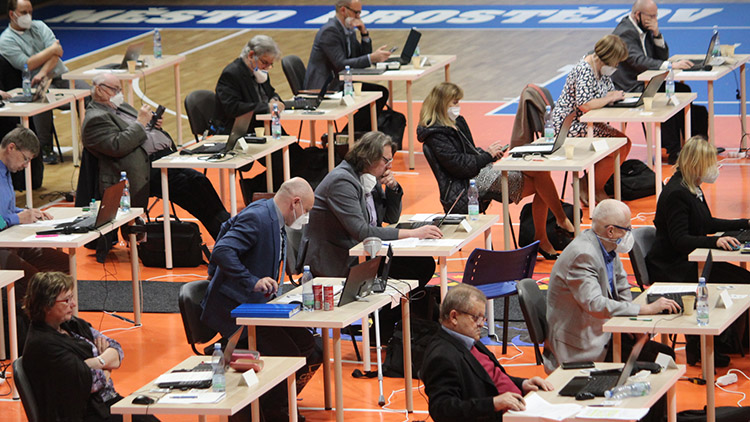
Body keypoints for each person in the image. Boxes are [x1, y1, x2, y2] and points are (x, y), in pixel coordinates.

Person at [201, 177, 321, 422]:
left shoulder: (272, 217)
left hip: (260, 307)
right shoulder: (258, 217)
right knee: (287, 352)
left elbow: (226, 229)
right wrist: (251, 280)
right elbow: (222, 250)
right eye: (306, 210)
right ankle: (274, 410)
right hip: (238, 309)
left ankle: (277, 404)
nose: (305, 216)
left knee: (310, 346)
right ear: (295, 202)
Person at [301, 131, 440, 338]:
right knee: (416, 268)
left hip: (363, 250)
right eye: (386, 160)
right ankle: (384, 326)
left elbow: (391, 216)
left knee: (422, 264)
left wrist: (393, 188)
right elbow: (363, 231)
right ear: (368, 158)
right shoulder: (342, 182)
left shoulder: (368, 178)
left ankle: (386, 325)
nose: (390, 165)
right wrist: (413, 233)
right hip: (336, 257)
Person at [418, 82, 575, 259]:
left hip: (479, 169)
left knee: (540, 172)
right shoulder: (436, 135)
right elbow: (460, 166)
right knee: (541, 182)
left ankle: (546, 234)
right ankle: (559, 222)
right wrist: (487, 156)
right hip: (467, 182)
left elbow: (469, 152)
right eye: (454, 103)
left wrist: (487, 153)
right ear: (441, 104)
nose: (458, 107)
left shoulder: (457, 122)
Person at [81, 73, 229, 239]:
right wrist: (141, 123)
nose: (119, 93)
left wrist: (152, 124)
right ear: (100, 90)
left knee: (200, 181)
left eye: (120, 89)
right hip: (140, 172)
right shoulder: (94, 119)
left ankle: (228, 226)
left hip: (160, 161)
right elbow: (118, 145)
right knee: (191, 190)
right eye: (115, 89)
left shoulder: (119, 106)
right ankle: (226, 236)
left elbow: (140, 130)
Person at [545, 199, 678, 373]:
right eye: (627, 229)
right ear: (611, 231)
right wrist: (644, 309)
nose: (629, 233)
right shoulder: (583, 255)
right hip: (583, 344)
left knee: (664, 355)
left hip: (604, 330)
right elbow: (595, 304)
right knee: (658, 364)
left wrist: (630, 324)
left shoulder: (607, 246)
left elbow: (622, 285)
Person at [22, 272, 158, 422]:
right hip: (85, 414)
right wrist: (106, 365)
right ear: (47, 305)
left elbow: (116, 349)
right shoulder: (43, 345)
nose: (73, 304)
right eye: (66, 300)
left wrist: (96, 363)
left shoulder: (71, 324)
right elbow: (92, 382)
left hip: (104, 403)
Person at [422, 284, 553, 422]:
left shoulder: (469, 339)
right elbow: (442, 410)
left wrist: (523, 384)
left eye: (483, 318)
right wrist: (493, 404)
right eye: (475, 318)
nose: (481, 324)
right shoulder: (441, 356)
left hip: (520, 409)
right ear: (454, 317)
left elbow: (491, 379)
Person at [611, 0, 709, 164]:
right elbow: (637, 60)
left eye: (656, 16)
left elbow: (660, 57)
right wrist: (671, 65)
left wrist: (657, 34)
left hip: (648, 81)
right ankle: (674, 151)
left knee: (683, 90)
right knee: (665, 98)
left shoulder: (645, 27)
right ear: (638, 15)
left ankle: (694, 146)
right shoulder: (625, 32)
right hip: (632, 85)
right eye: (651, 16)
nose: (655, 20)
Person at [0, 0, 89, 164]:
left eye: (30, 11)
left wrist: (42, 71)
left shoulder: (39, 26)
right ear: (12, 14)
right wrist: (51, 50)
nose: (28, 16)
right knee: (41, 102)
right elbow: (27, 64)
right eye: (24, 12)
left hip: (59, 76)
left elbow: (58, 53)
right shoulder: (5, 40)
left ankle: (90, 145)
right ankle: (45, 148)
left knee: (89, 93)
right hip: (34, 84)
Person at [552, 34, 633, 206]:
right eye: (616, 62)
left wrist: (612, 97)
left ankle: (590, 184)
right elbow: (585, 105)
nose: (617, 66)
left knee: (624, 143)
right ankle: (593, 187)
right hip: (571, 125)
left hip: (590, 122)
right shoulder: (585, 70)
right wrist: (608, 99)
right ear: (607, 59)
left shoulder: (600, 70)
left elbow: (609, 93)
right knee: (619, 143)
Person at [0, 126, 68, 305]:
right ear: (11, 148)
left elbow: (5, 209)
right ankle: (22, 328)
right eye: (25, 158)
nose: (26, 165)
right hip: (2, 246)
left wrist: (25, 212)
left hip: (9, 241)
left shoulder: (6, 171)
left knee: (63, 265)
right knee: (34, 280)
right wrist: (17, 218)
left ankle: (57, 323)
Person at [304, 0, 390, 132]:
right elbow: (341, 65)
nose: (359, 17)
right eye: (356, 12)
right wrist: (371, 58)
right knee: (378, 94)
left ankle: (355, 136)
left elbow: (359, 57)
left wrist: (364, 33)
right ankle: (346, 137)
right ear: (343, 10)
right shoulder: (330, 31)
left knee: (379, 93)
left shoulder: (347, 29)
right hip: (325, 87)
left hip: (342, 81)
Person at [214, 35, 285, 134]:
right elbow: (233, 108)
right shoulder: (231, 74)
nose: (267, 67)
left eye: (270, 64)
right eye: (265, 62)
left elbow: (271, 92)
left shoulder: (260, 71)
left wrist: (274, 100)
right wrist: (267, 107)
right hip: (241, 132)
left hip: (266, 126)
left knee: (298, 149)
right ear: (251, 55)